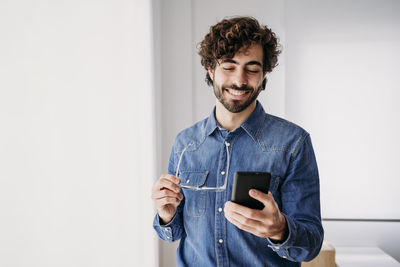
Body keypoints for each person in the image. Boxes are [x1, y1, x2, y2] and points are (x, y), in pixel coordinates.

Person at [151, 16, 323, 267]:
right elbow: (173, 233)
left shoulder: (293, 143)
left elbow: (311, 246)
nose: (240, 80)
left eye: (252, 68)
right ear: (211, 70)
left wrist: (280, 230)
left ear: (263, 75)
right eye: (229, 67)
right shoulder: (185, 143)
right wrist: (166, 215)